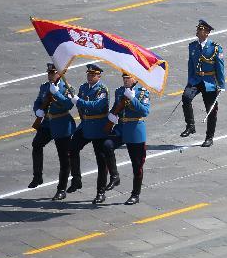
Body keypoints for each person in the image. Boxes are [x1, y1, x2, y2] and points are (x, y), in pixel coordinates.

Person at [29, 63, 76, 200]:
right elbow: (38, 101)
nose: (50, 75)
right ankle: (37, 177)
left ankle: (61, 189)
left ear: (59, 74)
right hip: (48, 124)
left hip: (61, 124)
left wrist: (56, 93)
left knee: (64, 159)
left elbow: (68, 104)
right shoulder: (44, 86)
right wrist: (38, 110)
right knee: (36, 144)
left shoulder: (67, 87)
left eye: (53, 73)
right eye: (49, 73)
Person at [103, 72, 151, 205]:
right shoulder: (119, 91)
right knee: (107, 145)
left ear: (135, 79)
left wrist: (133, 99)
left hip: (135, 129)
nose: (125, 81)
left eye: (128, 78)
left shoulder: (142, 92)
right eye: (124, 78)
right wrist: (111, 116)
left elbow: (145, 111)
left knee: (137, 165)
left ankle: (135, 194)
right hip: (121, 128)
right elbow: (115, 108)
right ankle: (114, 176)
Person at [66, 64, 110, 202]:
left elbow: (96, 106)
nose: (90, 77)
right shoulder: (83, 87)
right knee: (72, 149)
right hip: (85, 125)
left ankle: (100, 192)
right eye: (88, 75)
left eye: (93, 75)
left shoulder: (102, 89)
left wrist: (79, 101)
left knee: (101, 161)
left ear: (99, 76)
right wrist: (71, 98)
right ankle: (76, 179)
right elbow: (79, 104)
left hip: (98, 127)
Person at [181, 20, 225, 147]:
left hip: (209, 81)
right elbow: (190, 64)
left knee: (211, 109)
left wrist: (221, 85)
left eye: (200, 29)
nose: (197, 31)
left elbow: (220, 67)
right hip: (195, 80)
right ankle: (190, 126)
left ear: (206, 33)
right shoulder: (192, 46)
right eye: (198, 29)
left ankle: (209, 137)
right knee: (186, 97)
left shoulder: (215, 48)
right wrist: (189, 80)